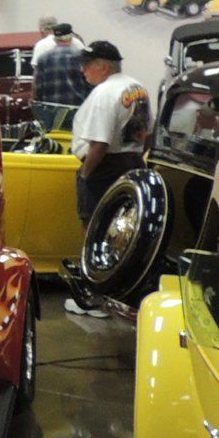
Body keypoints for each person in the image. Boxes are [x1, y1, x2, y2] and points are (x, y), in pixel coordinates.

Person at [66, 40, 150, 316]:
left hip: (104, 166)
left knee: (95, 229)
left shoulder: (104, 92)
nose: (83, 71)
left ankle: (95, 297)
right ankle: (117, 293)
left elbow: (99, 144)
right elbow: (145, 135)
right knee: (124, 231)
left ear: (102, 65)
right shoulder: (137, 88)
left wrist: (86, 173)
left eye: (87, 64)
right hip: (132, 161)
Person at [32, 22, 89, 112]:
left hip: (51, 110)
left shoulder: (43, 58)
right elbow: (88, 83)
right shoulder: (82, 57)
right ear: (71, 38)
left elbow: (38, 87)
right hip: (77, 108)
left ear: (55, 39)